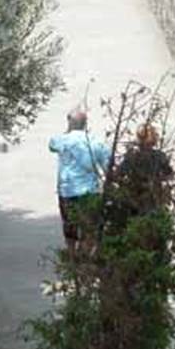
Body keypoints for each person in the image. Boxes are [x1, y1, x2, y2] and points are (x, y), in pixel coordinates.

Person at [49, 109, 111, 256]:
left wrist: (69, 130)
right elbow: (108, 168)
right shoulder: (96, 142)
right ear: (85, 124)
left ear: (70, 123)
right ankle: (84, 258)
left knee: (69, 225)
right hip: (90, 191)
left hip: (67, 190)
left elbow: (51, 146)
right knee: (89, 227)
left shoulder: (61, 140)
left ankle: (72, 257)